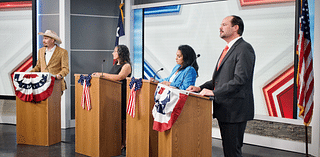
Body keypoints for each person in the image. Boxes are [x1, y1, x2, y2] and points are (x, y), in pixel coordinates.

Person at [186, 15, 255, 157]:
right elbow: (218, 80)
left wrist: (214, 93)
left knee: (232, 152)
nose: (220, 27)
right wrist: (199, 88)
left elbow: (240, 80)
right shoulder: (228, 49)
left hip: (235, 110)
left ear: (235, 28)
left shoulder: (244, 48)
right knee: (228, 150)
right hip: (226, 110)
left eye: (224, 24)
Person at [92, 45, 131, 151]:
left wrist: (102, 75)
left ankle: (124, 142)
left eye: (115, 51)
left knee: (123, 119)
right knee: (115, 118)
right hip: (112, 95)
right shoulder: (115, 65)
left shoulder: (126, 66)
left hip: (121, 94)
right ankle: (115, 140)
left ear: (121, 53)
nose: (113, 53)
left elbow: (119, 77)